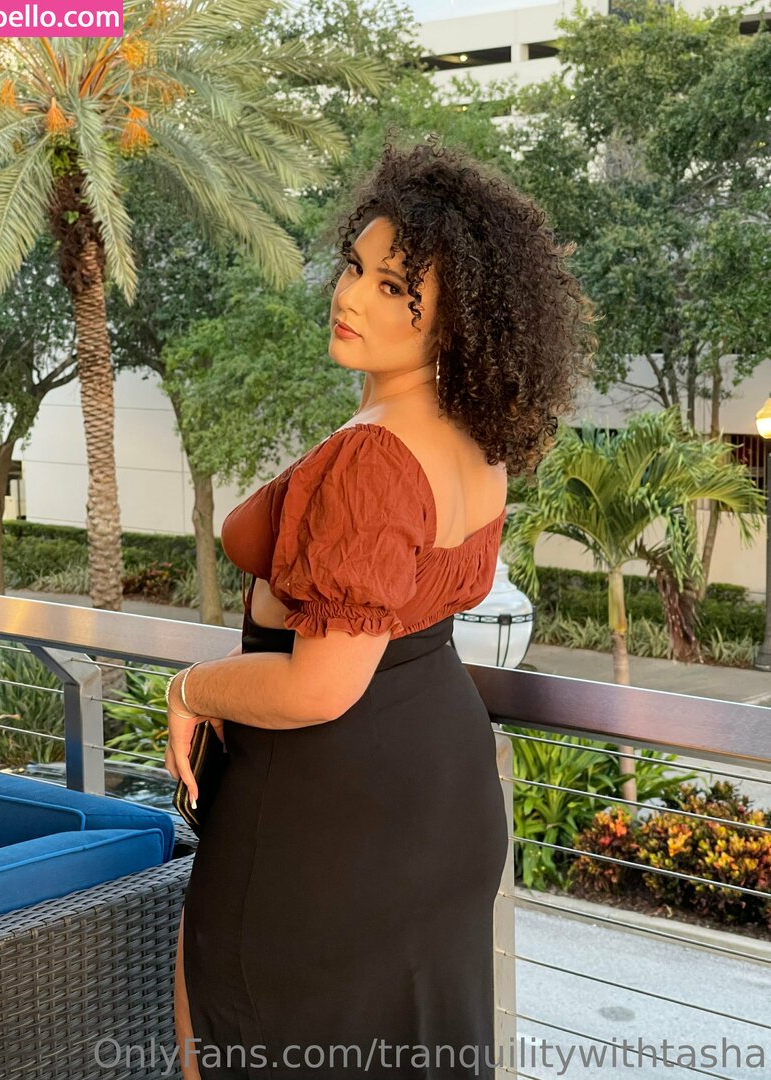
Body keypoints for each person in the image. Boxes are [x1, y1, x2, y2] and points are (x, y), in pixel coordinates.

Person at [164, 136, 596, 1079]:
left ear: (456, 319)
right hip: (438, 786)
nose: (352, 296)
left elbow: (323, 685)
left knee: (235, 1033)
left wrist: (192, 689)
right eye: (355, 266)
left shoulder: (376, 456)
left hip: (329, 800)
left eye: (396, 288)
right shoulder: (473, 441)